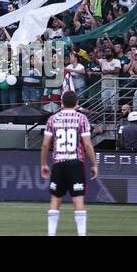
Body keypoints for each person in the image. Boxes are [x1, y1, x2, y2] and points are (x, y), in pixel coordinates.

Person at [39, 91, 98, 237]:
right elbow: (88, 145)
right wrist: (94, 164)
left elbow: (45, 145)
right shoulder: (82, 118)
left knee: (55, 199)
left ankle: (51, 234)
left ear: (61, 102)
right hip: (75, 162)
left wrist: (43, 164)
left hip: (58, 162)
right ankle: (81, 233)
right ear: (76, 103)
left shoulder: (53, 119)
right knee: (78, 199)